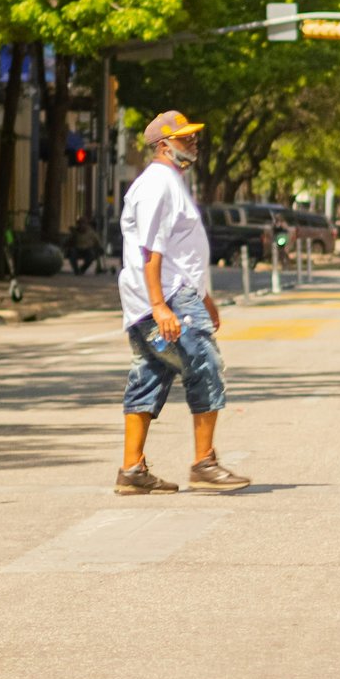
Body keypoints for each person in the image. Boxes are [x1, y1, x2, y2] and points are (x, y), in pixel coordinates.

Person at [114, 110, 248, 496]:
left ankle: (132, 470)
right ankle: (204, 463)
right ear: (162, 145)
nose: (193, 143)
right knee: (206, 365)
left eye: (193, 137)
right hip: (165, 296)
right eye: (184, 138)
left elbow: (181, 251)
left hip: (165, 295)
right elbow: (150, 249)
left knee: (150, 374)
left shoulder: (169, 182)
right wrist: (161, 305)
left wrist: (205, 297)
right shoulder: (158, 183)